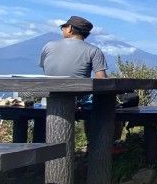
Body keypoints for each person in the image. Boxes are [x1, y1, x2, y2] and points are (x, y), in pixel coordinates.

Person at [39, 15, 124, 150]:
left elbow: (47, 70)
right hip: (78, 98)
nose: (62, 30)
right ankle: (105, 144)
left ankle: (41, 149)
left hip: (49, 97)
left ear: (70, 28)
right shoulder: (93, 50)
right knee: (111, 106)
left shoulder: (48, 46)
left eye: (63, 27)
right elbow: (102, 80)